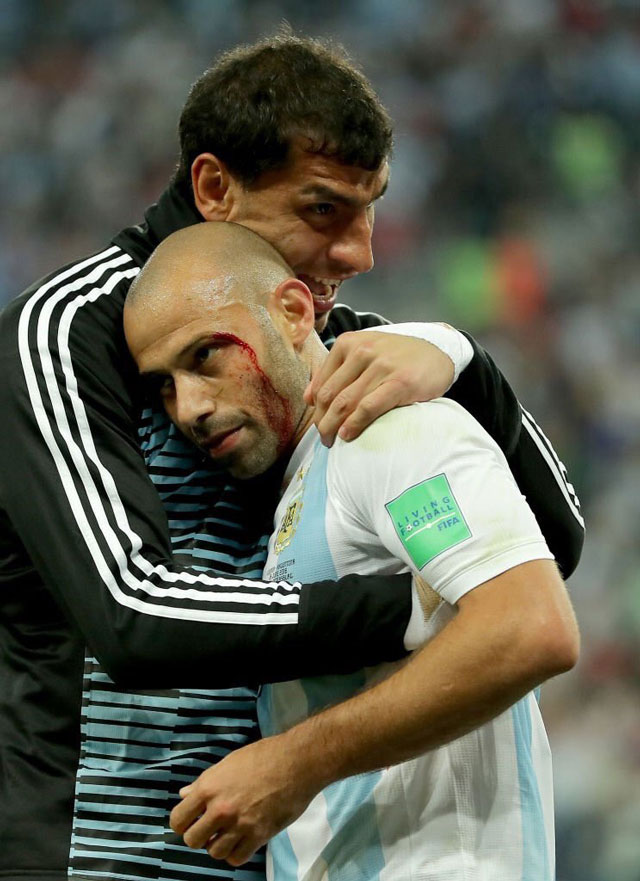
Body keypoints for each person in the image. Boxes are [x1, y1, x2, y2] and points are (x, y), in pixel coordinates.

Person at [0, 33, 583, 881]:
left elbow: (548, 552)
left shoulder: (338, 349)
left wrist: (464, 361)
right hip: (90, 857)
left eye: (369, 208)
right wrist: (423, 608)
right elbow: (131, 613)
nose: (361, 252)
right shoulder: (63, 332)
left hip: (254, 848)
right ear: (215, 188)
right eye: (322, 209)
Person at [123, 221, 580, 879]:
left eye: (205, 356)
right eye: (165, 385)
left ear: (291, 313)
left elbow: (530, 627)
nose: (189, 407)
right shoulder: (303, 483)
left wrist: (291, 764)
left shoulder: (389, 431)